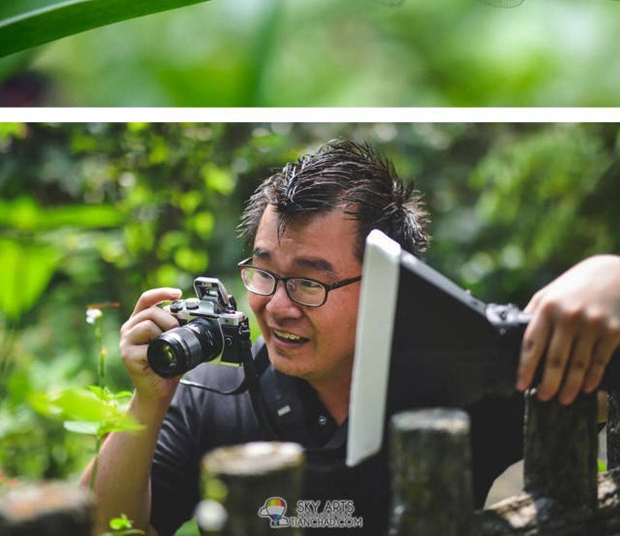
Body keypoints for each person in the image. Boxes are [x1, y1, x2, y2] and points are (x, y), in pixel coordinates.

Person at [81, 140, 620, 535]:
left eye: (310, 282)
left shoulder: (459, 383)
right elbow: (106, 527)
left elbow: (597, 386)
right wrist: (148, 399)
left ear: (390, 283)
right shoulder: (210, 396)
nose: (278, 306)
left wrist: (608, 277)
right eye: (265, 273)